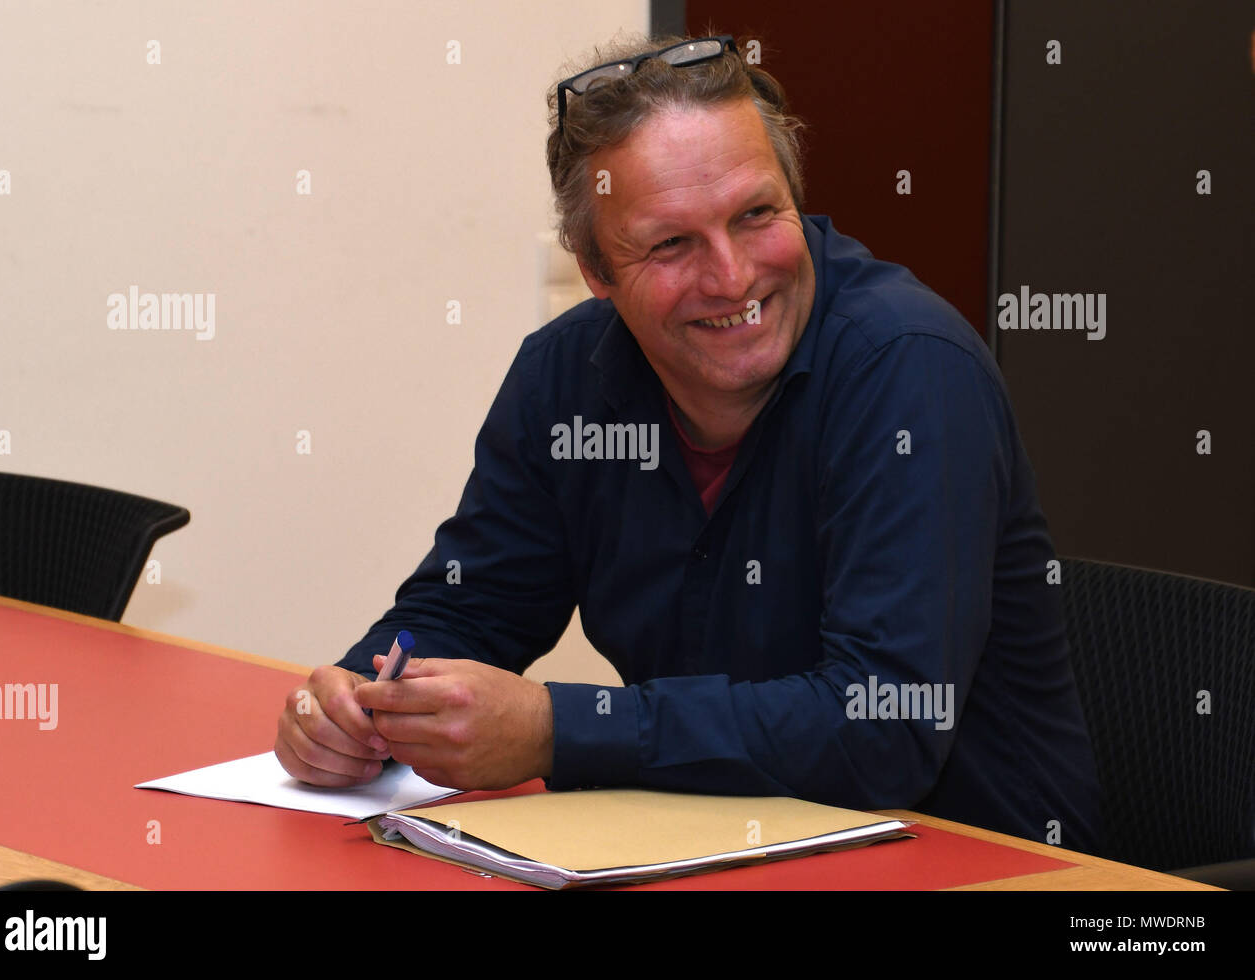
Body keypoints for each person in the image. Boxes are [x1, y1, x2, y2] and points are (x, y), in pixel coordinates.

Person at [274, 32, 1100, 851]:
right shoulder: (566, 377)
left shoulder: (911, 371)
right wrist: (359, 702)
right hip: (695, 850)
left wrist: (556, 730)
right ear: (597, 270)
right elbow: (470, 606)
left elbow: (883, 725)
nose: (733, 276)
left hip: (976, 864)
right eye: (672, 243)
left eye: (755, 215)